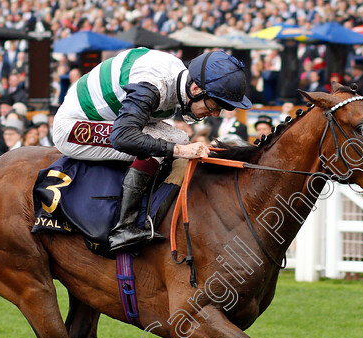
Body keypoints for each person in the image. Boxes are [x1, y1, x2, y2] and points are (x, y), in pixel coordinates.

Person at [52, 48, 252, 252]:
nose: (216, 114)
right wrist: (180, 151)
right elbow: (123, 137)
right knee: (171, 144)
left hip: (106, 119)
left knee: (179, 137)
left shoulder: (177, 78)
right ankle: (124, 227)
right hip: (73, 126)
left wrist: (179, 147)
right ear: (195, 89)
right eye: (216, 104)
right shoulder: (153, 85)